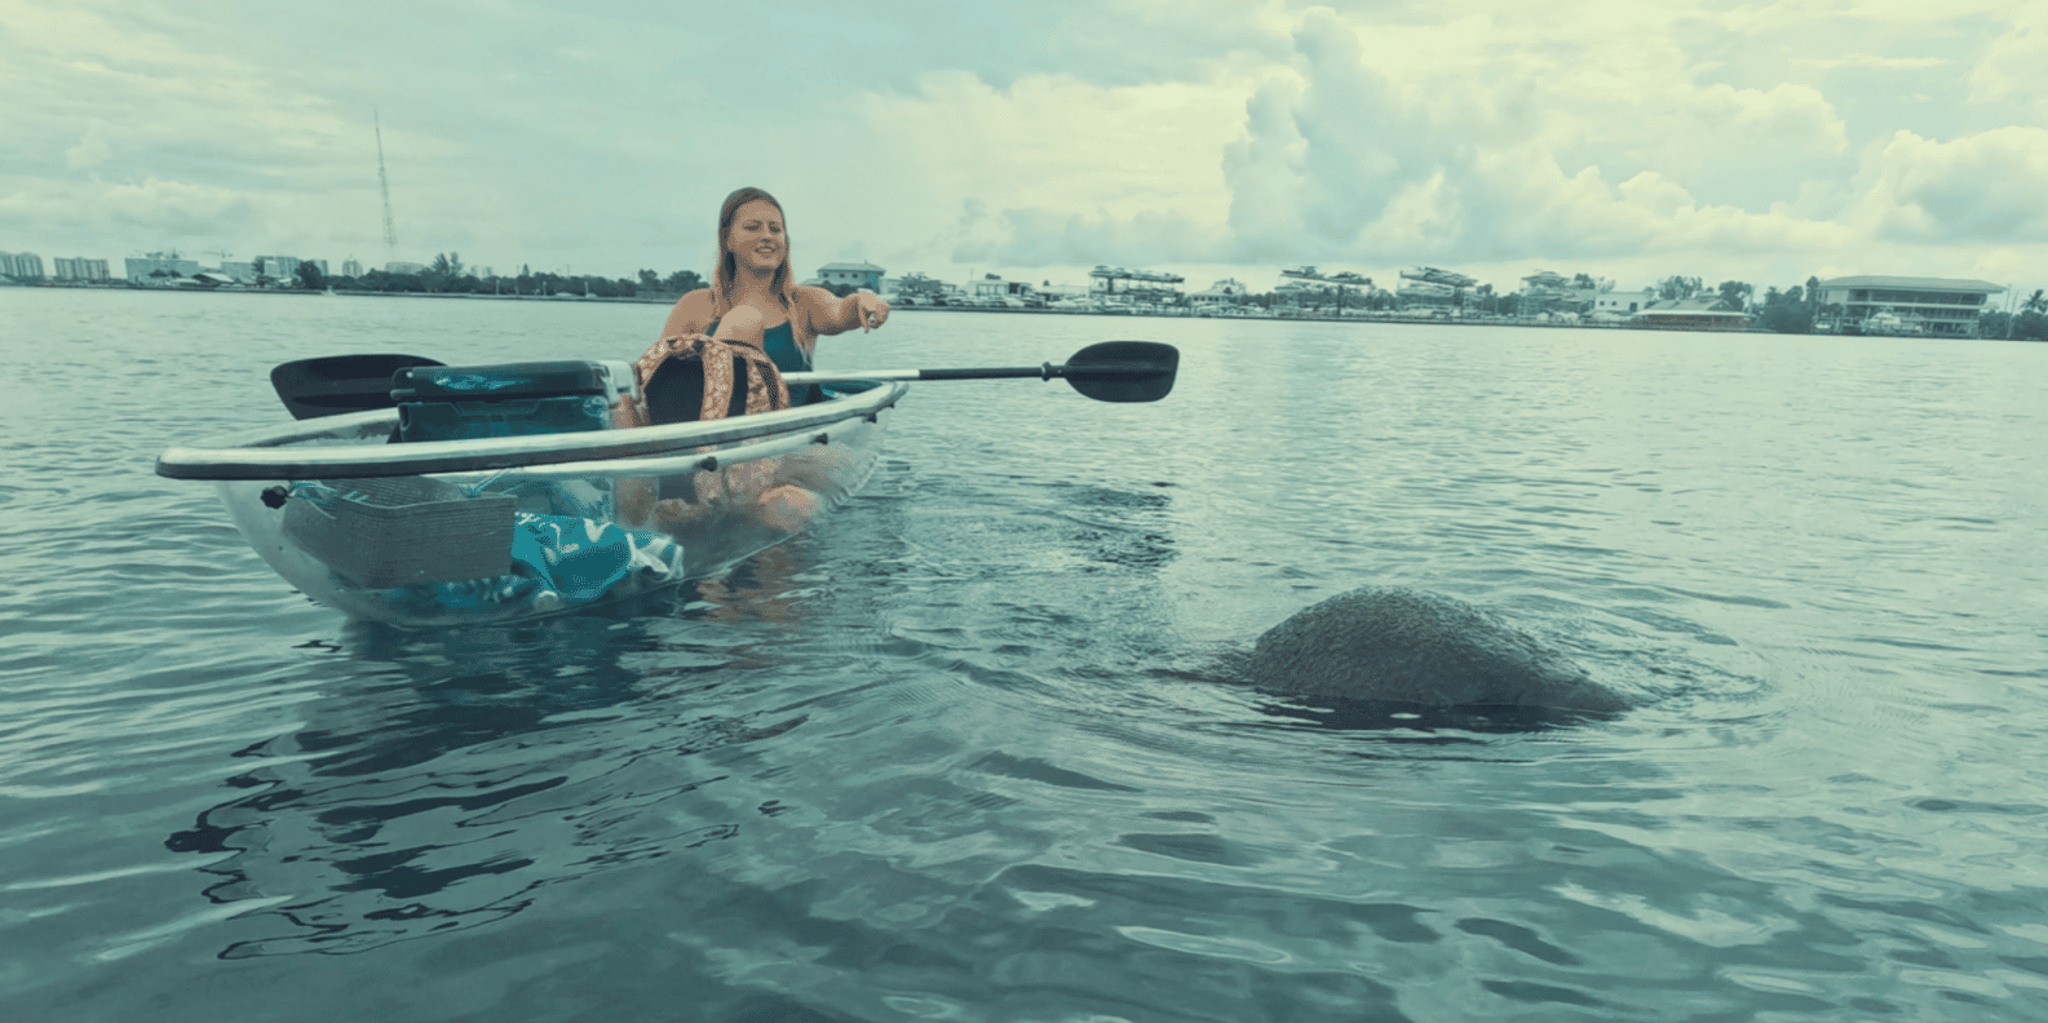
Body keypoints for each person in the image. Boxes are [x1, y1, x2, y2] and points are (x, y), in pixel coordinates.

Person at [617, 186, 890, 534]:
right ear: (727, 239)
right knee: (622, 397)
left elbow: (840, 311)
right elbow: (661, 384)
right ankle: (636, 523)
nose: (767, 236)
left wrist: (864, 299)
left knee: (785, 506)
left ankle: (729, 504)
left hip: (779, 448)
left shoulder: (803, 303)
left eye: (775, 228)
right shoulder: (695, 306)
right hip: (702, 447)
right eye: (753, 227)